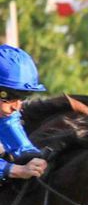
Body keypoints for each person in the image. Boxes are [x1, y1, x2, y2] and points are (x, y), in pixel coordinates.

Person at [0, 44, 48, 186]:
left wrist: (34, 157)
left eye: (22, 97)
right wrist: (14, 169)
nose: (16, 106)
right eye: (10, 97)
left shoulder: (6, 113)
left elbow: (12, 131)